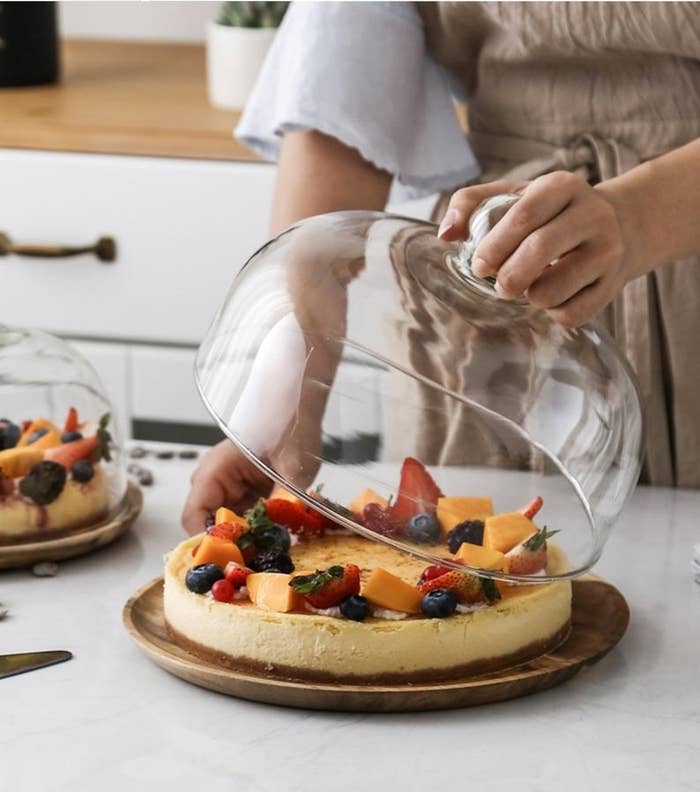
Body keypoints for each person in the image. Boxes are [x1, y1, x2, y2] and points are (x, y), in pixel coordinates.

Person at [182, 1, 700, 534]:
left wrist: (635, 217)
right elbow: (342, 87)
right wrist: (279, 405)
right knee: (457, 582)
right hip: (487, 292)